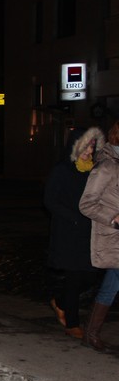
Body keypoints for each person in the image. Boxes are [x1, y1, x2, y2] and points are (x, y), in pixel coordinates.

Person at [45, 127, 105, 339]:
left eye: (92, 145)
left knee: (90, 275)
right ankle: (72, 323)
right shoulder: (62, 170)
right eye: (87, 145)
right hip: (68, 232)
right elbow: (50, 201)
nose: (90, 149)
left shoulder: (94, 170)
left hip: (89, 232)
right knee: (74, 276)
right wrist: (73, 216)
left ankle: (60, 301)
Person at [78, 120, 119, 351]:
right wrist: (113, 218)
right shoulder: (106, 167)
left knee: (111, 287)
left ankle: (91, 332)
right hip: (113, 238)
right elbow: (87, 204)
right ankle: (90, 332)